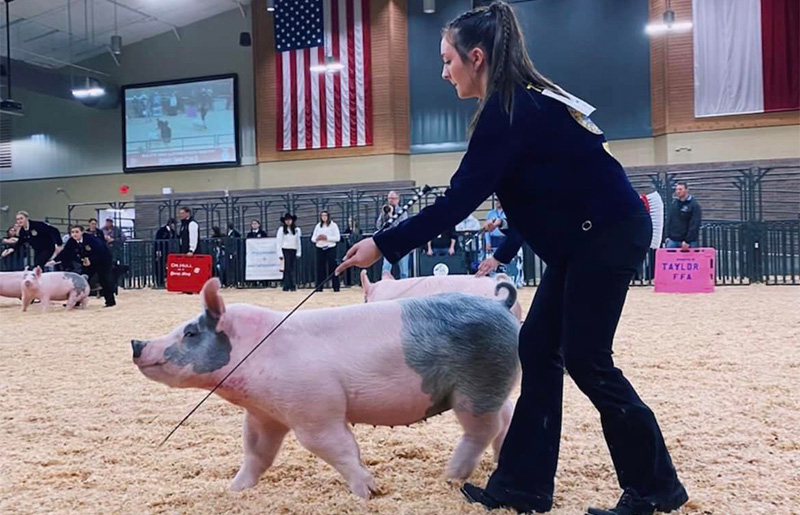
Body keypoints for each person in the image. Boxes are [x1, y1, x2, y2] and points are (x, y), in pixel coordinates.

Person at [336, 3, 687, 514]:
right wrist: (500, 252)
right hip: (587, 239)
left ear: (475, 57)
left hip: (604, 237)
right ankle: (522, 486)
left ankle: (656, 487)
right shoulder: (527, 104)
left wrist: (382, 244)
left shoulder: (509, 113)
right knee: (539, 350)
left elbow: (456, 202)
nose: (443, 71)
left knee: (588, 360)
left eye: (447, 60)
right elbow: (542, 192)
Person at [61, 225, 116, 307]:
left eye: (77, 232)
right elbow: (65, 252)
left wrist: (91, 260)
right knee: (81, 279)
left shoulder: (91, 239)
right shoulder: (72, 241)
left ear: (82, 232)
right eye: (72, 232)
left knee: (104, 279)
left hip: (103, 260)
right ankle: (76, 301)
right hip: (88, 262)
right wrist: (54, 260)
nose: (74, 234)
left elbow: (100, 251)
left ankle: (110, 301)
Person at [375, 191, 410, 278]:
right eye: (389, 198)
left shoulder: (403, 211)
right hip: (389, 243)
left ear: (398, 200)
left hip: (402, 243)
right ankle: (385, 287)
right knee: (386, 268)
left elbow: (400, 227)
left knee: (404, 271)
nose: (391, 201)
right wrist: (383, 215)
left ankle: (404, 288)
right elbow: (378, 226)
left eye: (393, 199)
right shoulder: (385, 211)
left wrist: (391, 217)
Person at [665, 182, 702, 250]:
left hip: (689, 242)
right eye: (676, 189)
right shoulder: (674, 204)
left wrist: (687, 241)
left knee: (691, 260)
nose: (678, 191)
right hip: (672, 241)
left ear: (687, 190)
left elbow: (695, 224)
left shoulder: (694, 205)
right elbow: (669, 220)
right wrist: (667, 236)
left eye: (680, 189)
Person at [311, 211, 341, 292]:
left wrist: (327, 238)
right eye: (322, 216)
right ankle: (319, 287)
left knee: (333, 267)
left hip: (330, 248)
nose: (324, 217)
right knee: (320, 268)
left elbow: (337, 238)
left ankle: (336, 286)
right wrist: (317, 239)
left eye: (325, 215)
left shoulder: (333, 225)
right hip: (320, 248)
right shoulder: (318, 226)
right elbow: (313, 238)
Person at [276, 213, 301, 291]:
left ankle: (292, 285)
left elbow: (298, 241)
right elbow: (279, 242)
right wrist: (280, 253)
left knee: (292, 268)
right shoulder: (281, 230)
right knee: (287, 268)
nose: (288, 222)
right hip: (285, 249)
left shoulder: (297, 230)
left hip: (293, 249)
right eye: (286, 220)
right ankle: (287, 285)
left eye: (289, 220)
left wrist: (298, 252)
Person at [154, 218, 177, 287]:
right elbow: (157, 241)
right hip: (161, 250)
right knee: (160, 265)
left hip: (168, 252)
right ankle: (159, 282)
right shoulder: (161, 231)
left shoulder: (172, 231)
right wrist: (157, 251)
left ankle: (165, 281)